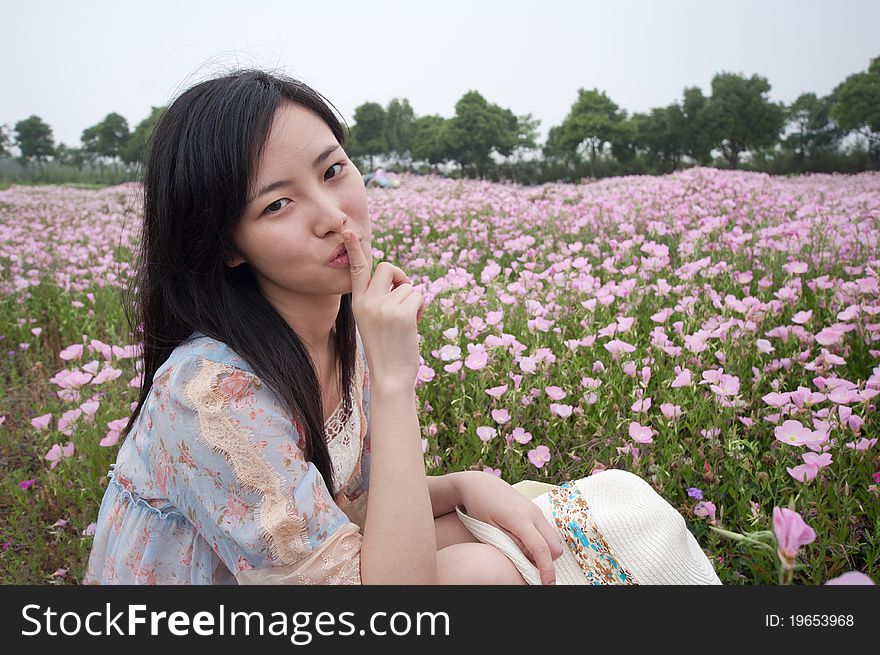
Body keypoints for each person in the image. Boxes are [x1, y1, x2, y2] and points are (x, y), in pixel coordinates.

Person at [82, 69, 566, 585]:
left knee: (506, 532)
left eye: (333, 170)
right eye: (278, 204)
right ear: (226, 247)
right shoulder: (209, 394)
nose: (334, 215)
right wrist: (393, 378)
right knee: (483, 570)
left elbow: (354, 506)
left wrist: (465, 485)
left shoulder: (338, 326)